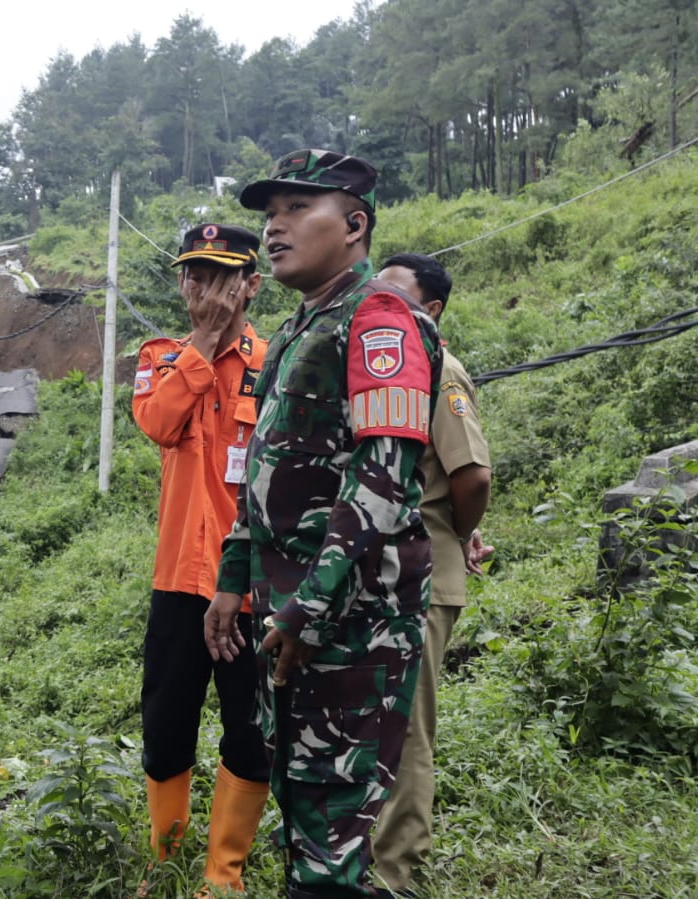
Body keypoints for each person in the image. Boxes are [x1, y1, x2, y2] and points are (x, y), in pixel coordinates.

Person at [203, 149, 442, 899]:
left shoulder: (380, 322)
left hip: (352, 622)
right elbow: (262, 471)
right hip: (293, 618)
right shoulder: (299, 328)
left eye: (295, 209)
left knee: (334, 827)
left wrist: (309, 606)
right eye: (267, 213)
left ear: (354, 223)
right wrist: (230, 580)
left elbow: (383, 477)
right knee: (303, 810)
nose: (273, 227)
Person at [131, 223, 271, 894]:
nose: (199, 287)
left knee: (249, 731)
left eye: (217, 276)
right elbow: (157, 423)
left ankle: (222, 874)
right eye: (191, 273)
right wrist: (204, 344)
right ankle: (164, 861)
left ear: (251, 284)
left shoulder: (276, 363)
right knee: (164, 725)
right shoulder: (160, 356)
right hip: (178, 582)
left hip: (249, 586)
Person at [371, 253, 493, 895]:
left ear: (432, 309)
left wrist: (459, 533)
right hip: (378, 576)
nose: (379, 302)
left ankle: (393, 873)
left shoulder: (440, 369)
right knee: (371, 720)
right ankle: (366, 856)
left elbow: (471, 475)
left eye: (395, 293)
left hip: (421, 574)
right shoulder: (380, 369)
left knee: (406, 728)